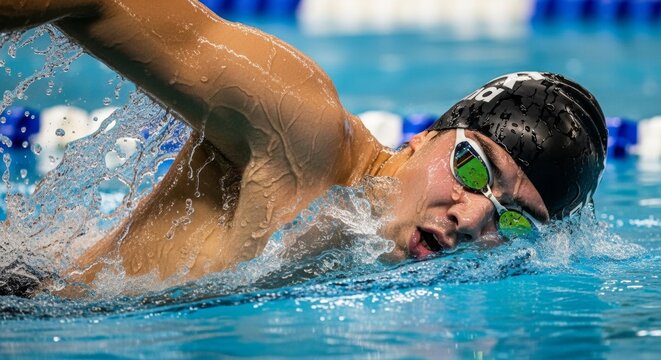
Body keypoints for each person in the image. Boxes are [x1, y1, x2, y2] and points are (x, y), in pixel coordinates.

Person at [0, 0, 607, 296]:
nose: (473, 218)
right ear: (425, 134)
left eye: (515, 221)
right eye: (472, 166)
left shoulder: (380, 259)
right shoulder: (303, 128)